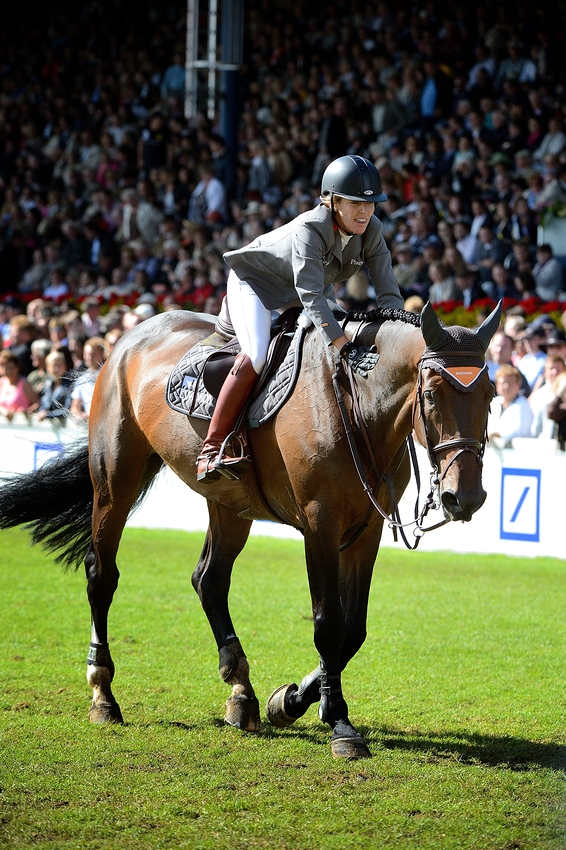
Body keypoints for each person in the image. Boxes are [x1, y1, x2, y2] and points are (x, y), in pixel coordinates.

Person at [196, 155, 404, 482]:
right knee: (258, 355)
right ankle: (212, 447)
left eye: (371, 204)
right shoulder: (312, 227)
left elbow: (388, 289)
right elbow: (311, 296)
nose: (365, 211)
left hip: (304, 287)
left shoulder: (372, 228)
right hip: (256, 283)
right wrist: (344, 345)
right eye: (354, 203)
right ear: (333, 202)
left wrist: (398, 332)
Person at [488, 364, 534, 444]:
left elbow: (520, 432)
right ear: (497, 385)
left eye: (510, 383)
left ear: (518, 385)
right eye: (503, 383)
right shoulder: (494, 403)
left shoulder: (523, 405)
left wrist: (495, 434)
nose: (507, 386)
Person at [69, 336, 107, 421]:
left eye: (92, 354)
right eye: (86, 354)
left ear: (102, 354)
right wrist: (79, 416)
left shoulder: (108, 376)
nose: (88, 357)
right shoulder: (82, 379)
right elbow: (74, 407)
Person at [0, 350, 40, 421]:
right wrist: (4, 411)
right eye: (6, 368)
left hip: (22, 426)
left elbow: (38, 403)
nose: (9, 371)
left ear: (18, 368)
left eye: (12, 368)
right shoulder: (1, 383)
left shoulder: (25, 384)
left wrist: (27, 410)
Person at [35, 350, 73, 422]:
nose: (56, 369)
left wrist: (48, 415)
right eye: (53, 366)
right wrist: (41, 412)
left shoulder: (70, 385)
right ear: (48, 368)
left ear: (65, 366)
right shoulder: (47, 384)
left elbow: (67, 410)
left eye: (59, 365)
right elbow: (44, 404)